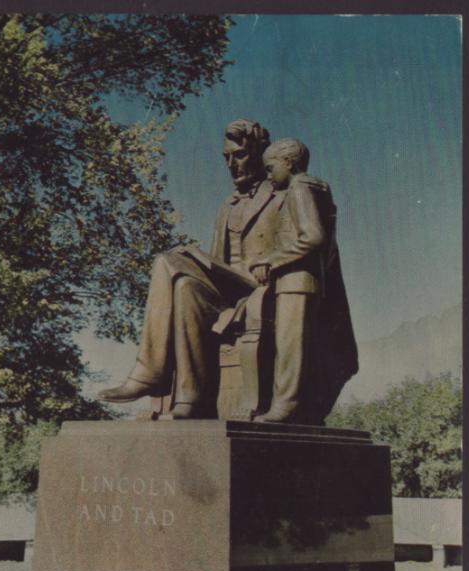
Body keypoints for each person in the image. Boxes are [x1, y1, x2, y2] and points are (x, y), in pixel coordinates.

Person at [98, 119, 283, 418]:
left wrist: (271, 264)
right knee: (183, 285)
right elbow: (219, 260)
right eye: (226, 158)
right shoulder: (228, 206)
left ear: (261, 154)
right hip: (229, 288)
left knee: (168, 262)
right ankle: (191, 398)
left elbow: (309, 245)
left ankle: (147, 373)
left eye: (240, 156)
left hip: (262, 289)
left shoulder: (282, 196)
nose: (232, 165)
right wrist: (201, 260)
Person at [247, 137, 358, 423]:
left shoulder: (299, 187)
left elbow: (313, 236)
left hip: (297, 282)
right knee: (294, 346)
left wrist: (270, 260)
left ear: (289, 162)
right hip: (301, 281)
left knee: (290, 347)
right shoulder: (313, 187)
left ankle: (285, 406)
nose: (268, 177)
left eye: (270, 169)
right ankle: (290, 405)